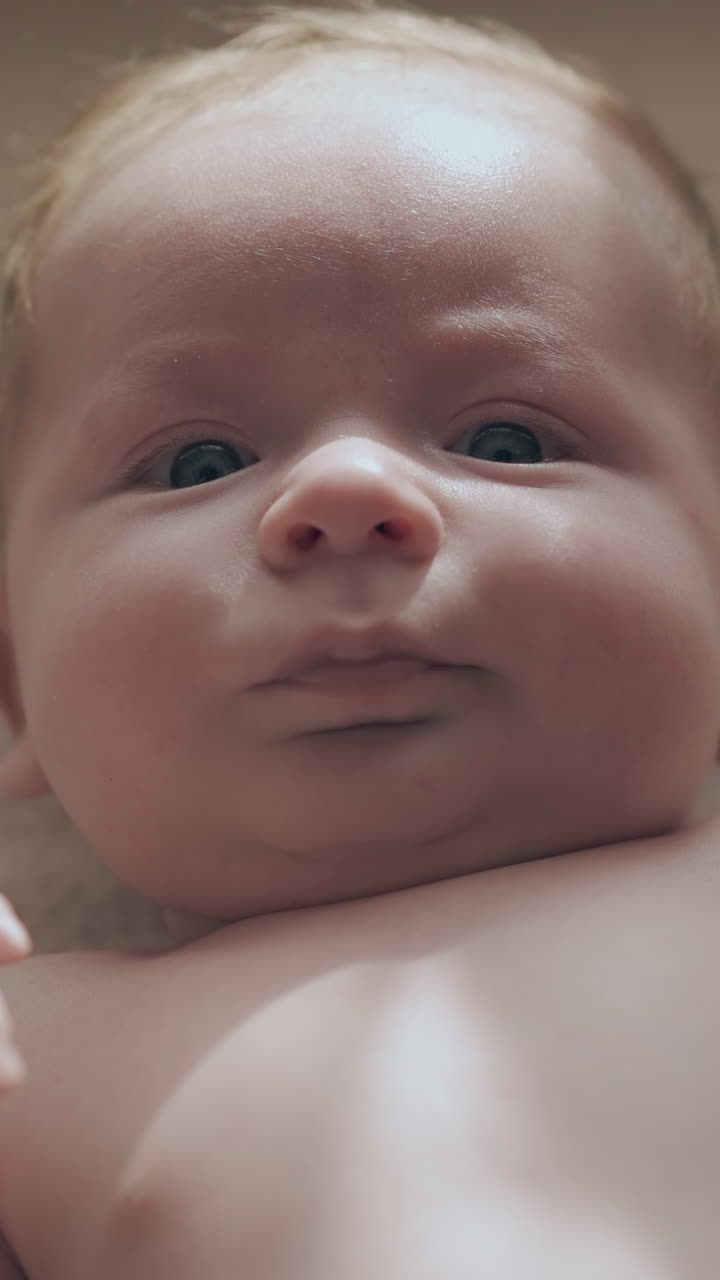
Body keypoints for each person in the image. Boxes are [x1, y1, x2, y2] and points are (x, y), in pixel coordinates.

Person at [0, 0, 719, 1273]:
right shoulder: (33, 1042)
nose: (343, 495)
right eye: (198, 458)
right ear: (10, 689)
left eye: (508, 440)